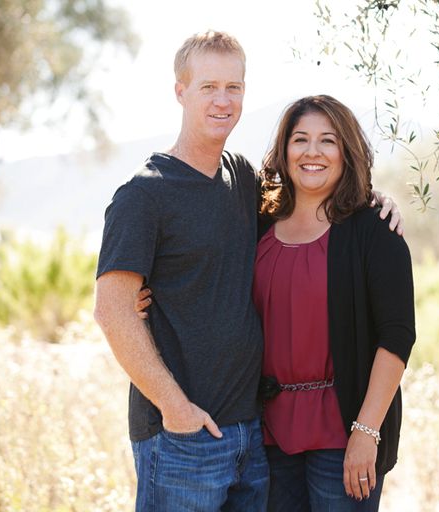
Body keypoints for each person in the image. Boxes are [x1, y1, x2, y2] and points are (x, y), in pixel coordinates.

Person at [96, 31, 402, 512]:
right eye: (208, 87)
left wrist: (374, 200)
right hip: (182, 438)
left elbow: (314, 186)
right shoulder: (144, 194)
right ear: (180, 91)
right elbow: (111, 310)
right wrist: (176, 410)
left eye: (234, 87)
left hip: (253, 437)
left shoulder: (241, 180)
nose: (223, 100)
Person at [254, 95, 415, 511]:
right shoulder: (257, 226)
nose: (312, 152)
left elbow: (397, 336)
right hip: (268, 436)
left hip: (342, 433)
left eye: (327, 141)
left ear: (346, 151)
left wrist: (366, 432)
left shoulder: (374, 231)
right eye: (300, 139)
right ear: (284, 149)